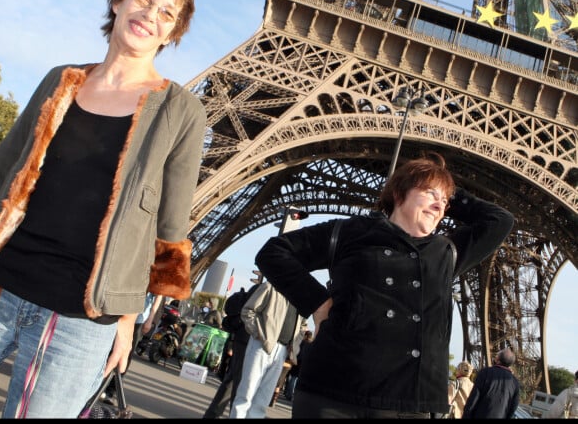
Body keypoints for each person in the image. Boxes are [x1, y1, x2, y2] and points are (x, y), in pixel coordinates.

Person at [0, 0, 207, 418]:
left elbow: (169, 225)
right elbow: (6, 169)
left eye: (166, 12)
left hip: (81, 316)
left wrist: (129, 318)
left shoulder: (181, 111)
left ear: (172, 33)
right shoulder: (62, 81)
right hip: (4, 280)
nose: (150, 15)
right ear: (117, 1)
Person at [255, 152, 515, 418]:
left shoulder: (446, 252)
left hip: (407, 402)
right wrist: (317, 302)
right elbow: (273, 253)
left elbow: (500, 221)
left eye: (445, 202)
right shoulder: (351, 232)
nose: (439, 205)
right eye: (429, 193)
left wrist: (442, 186)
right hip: (334, 392)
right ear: (400, 193)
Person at [229, 281, 307, 418]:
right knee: (247, 393)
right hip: (261, 344)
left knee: (263, 399)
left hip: (282, 350)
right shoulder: (270, 287)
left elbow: (303, 326)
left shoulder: (300, 296)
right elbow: (248, 311)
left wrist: (294, 345)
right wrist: (259, 334)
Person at [203, 285, 258, 419]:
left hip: (242, 338)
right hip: (249, 339)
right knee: (239, 384)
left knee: (233, 381)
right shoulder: (267, 290)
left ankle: (213, 414)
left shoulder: (258, 288)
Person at [102, 292, 164, 404]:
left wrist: (150, 319)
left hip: (138, 318)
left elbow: (159, 293)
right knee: (107, 350)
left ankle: (111, 391)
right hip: (117, 310)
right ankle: (98, 385)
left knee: (125, 356)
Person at [462, 348, 520, 419]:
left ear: (497, 360)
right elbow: (513, 407)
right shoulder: (515, 382)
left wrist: (466, 415)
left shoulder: (485, 373)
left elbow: (473, 398)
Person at [285, 330, 314, 401]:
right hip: (303, 363)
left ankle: (288, 393)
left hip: (297, 361)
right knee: (295, 379)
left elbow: (298, 351)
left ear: (305, 335)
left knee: (292, 377)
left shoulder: (302, 342)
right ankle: (290, 394)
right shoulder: (311, 344)